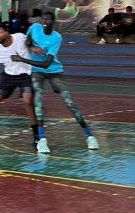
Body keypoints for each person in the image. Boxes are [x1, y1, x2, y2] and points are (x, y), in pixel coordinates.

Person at [10, 11, 99, 154]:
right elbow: (28, 39)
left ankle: (90, 136)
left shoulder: (56, 37)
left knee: (69, 102)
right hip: (37, 72)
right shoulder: (34, 27)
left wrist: (22, 59)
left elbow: (46, 64)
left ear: (53, 22)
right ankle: (42, 140)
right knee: (38, 101)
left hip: (53, 70)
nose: (45, 22)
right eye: (44, 19)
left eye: (49, 20)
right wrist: (31, 47)